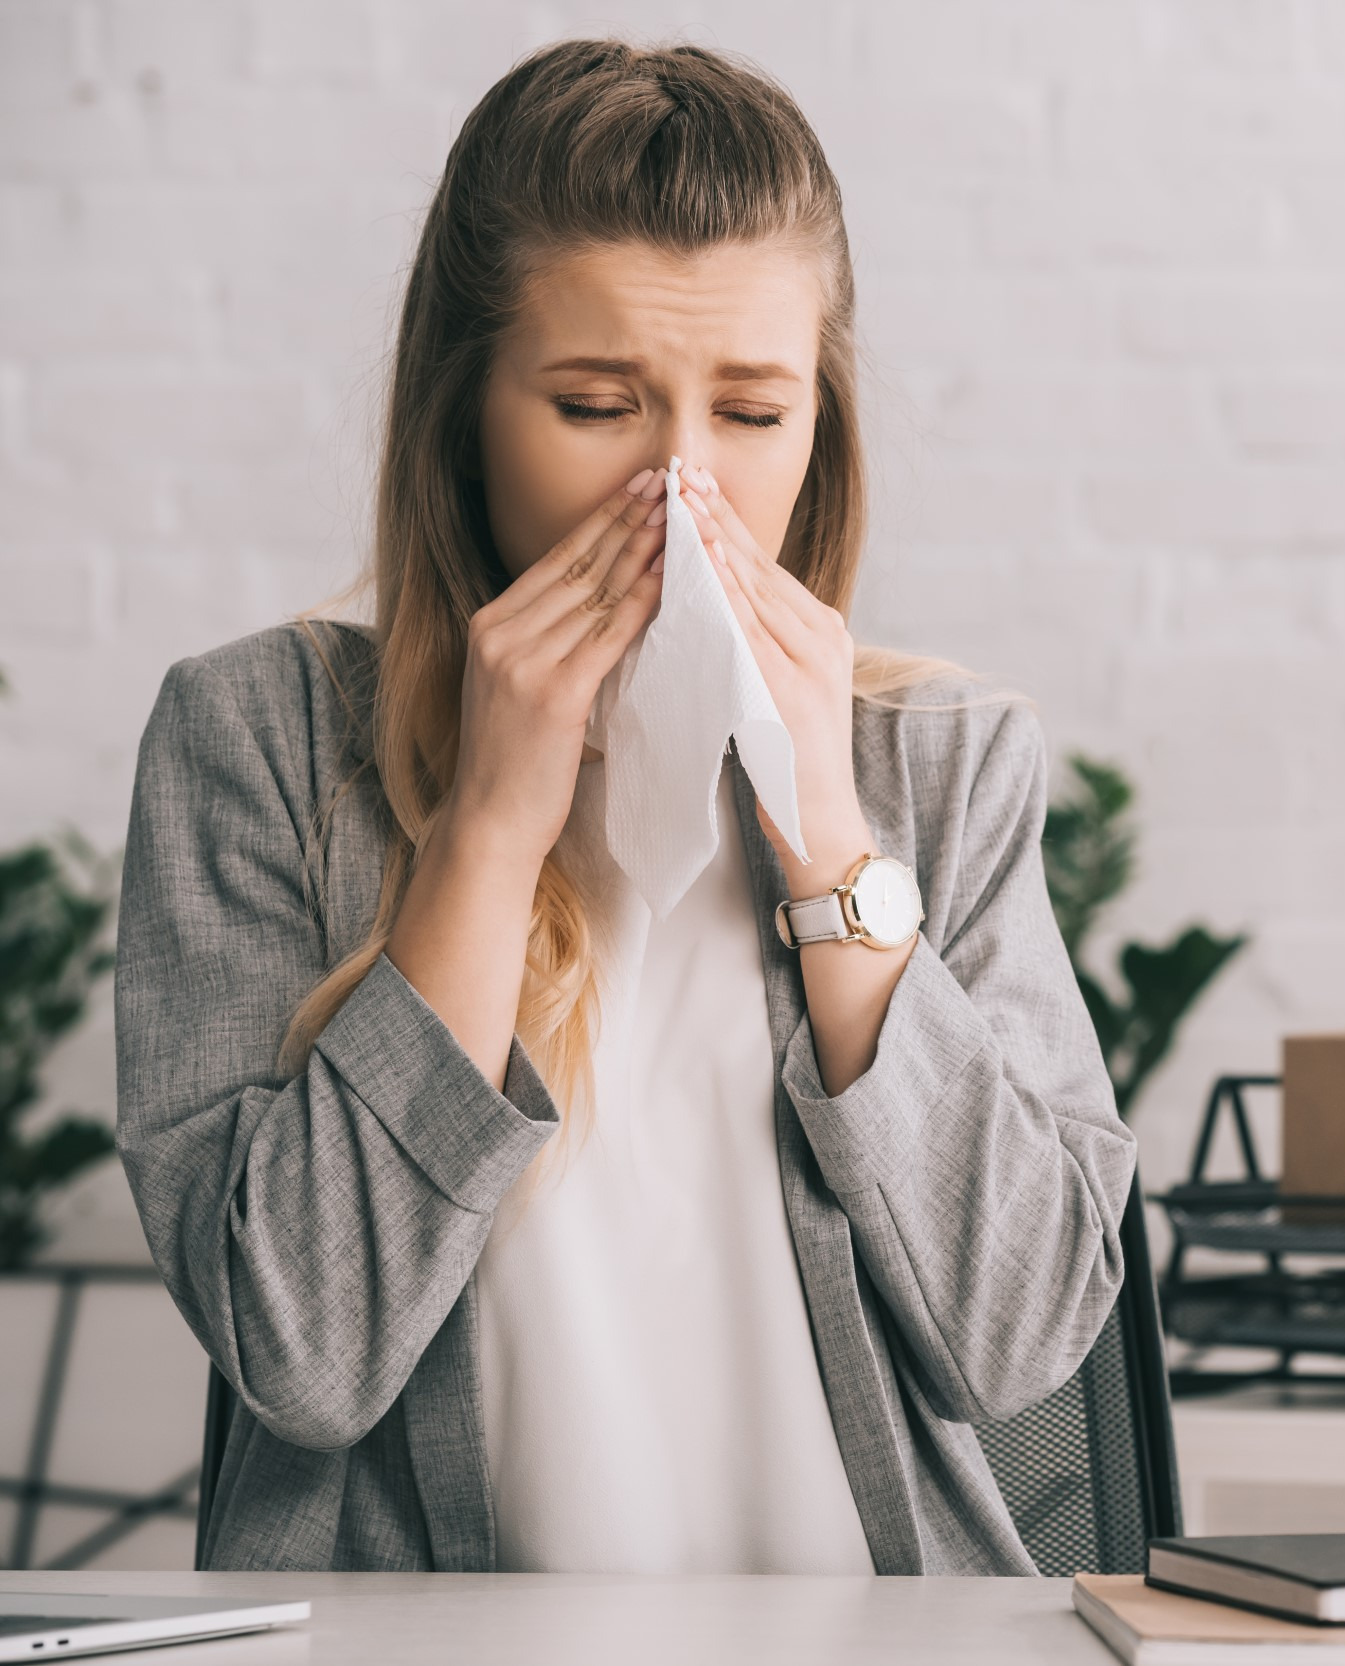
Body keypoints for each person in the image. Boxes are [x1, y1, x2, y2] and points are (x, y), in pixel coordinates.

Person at [112, 40, 1134, 1574]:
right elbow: (306, 1349)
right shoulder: (255, 741)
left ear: (822, 428)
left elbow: (1027, 1334)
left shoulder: (940, 762)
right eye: (597, 404)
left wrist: (832, 846)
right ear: (464, 411)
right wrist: (488, 829)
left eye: (752, 412)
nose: (678, 488)